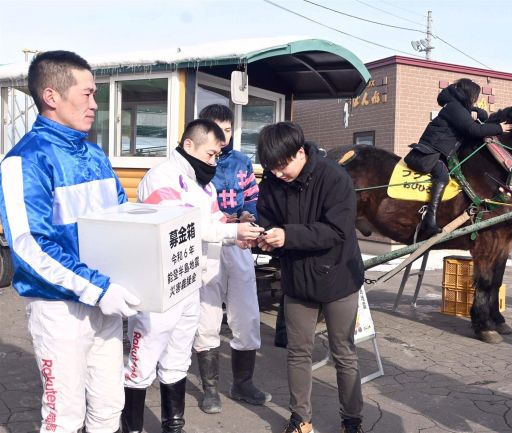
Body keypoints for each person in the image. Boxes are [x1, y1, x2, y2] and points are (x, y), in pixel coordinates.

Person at [0, 50, 140, 433]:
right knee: (63, 416)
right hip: (59, 309)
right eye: (88, 94)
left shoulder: (95, 155)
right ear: (51, 96)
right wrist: (96, 288)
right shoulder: (24, 161)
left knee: (110, 406)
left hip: (105, 302)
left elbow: (122, 220)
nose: (95, 104)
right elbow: (29, 245)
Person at [121, 119, 264, 433]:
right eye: (211, 154)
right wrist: (229, 230)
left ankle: (174, 424)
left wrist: (235, 233)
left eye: (218, 155)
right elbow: (180, 228)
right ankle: (131, 426)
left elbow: (212, 219)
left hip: (190, 283)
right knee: (142, 360)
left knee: (177, 357)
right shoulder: (161, 179)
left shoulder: (205, 184)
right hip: (159, 288)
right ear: (189, 146)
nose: (215, 161)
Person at [256, 122, 365, 433]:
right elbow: (266, 214)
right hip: (297, 279)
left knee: (342, 351)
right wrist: (263, 234)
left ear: (300, 152)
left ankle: (352, 420)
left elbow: (337, 230)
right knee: (298, 351)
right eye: (270, 167)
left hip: (339, 276)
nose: (277, 173)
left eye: (282, 165)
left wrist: (286, 236)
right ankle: (300, 419)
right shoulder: (273, 181)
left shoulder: (334, 177)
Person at [194, 104, 270, 413]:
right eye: (216, 129)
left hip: (239, 240)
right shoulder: (196, 163)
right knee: (207, 315)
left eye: (227, 130)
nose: (222, 137)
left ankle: (242, 383)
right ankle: (210, 389)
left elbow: (253, 195)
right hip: (207, 244)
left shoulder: (242, 162)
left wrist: (249, 212)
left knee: (247, 313)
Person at [405, 78, 512, 238]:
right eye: (475, 97)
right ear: (469, 94)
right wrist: (499, 128)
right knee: (441, 176)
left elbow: (479, 119)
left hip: (436, 151)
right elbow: (472, 129)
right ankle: (429, 221)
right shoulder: (455, 108)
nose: (475, 100)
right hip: (429, 152)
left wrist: (478, 112)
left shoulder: (455, 106)